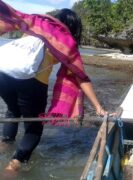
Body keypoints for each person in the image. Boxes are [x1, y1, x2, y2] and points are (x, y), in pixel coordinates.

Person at [0, 1, 107, 174]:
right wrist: (98, 108)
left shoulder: (36, 24)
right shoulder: (65, 39)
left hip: (3, 72)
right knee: (34, 127)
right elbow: (80, 76)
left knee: (12, 111)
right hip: (31, 81)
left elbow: (8, 20)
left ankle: (4, 144)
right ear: (72, 27)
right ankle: (13, 166)